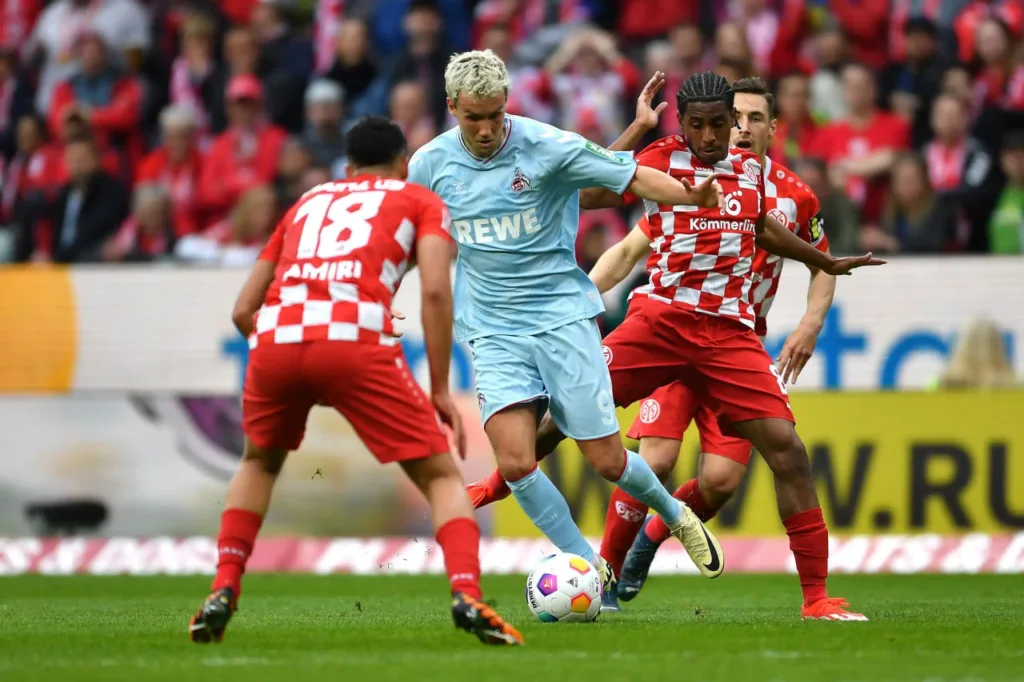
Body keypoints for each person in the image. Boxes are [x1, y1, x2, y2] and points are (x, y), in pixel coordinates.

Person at [467, 72, 883, 619]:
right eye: (697, 126)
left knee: (788, 451)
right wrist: (635, 132)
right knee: (572, 406)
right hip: (660, 321)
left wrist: (821, 260)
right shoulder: (657, 160)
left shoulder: (753, 170)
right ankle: (503, 480)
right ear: (681, 124)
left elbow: (759, 226)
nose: (710, 137)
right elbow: (587, 192)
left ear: (734, 123)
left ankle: (816, 599)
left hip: (731, 334)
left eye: (720, 124)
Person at [407, 50, 730, 607]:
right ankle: (589, 569)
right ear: (452, 107)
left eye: (494, 115)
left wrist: (690, 195)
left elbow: (627, 174)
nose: (485, 130)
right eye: (472, 118)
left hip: (562, 317)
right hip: (492, 328)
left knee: (606, 461)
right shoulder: (428, 165)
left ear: (507, 103)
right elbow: (407, 233)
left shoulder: (545, 145)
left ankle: (676, 515)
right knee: (514, 462)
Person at [189, 116, 523, 647]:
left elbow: (242, 310)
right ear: (403, 164)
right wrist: (439, 388)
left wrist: (294, 350)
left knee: (258, 462)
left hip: (276, 335)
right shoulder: (418, 200)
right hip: (356, 340)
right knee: (440, 475)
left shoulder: (306, 203)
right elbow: (436, 292)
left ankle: (223, 587)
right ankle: (467, 595)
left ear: (347, 168)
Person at [611, 78, 865, 621]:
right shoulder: (678, 171)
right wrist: (587, 291)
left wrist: (811, 323)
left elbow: (818, 259)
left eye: (752, 118)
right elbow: (631, 244)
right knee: (654, 457)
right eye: (737, 117)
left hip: (735, 339)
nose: (742, 128)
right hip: (672, 329)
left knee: (722, 482)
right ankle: (605, 576)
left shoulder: (794, 195)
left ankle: (656, 532)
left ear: (772, 128)